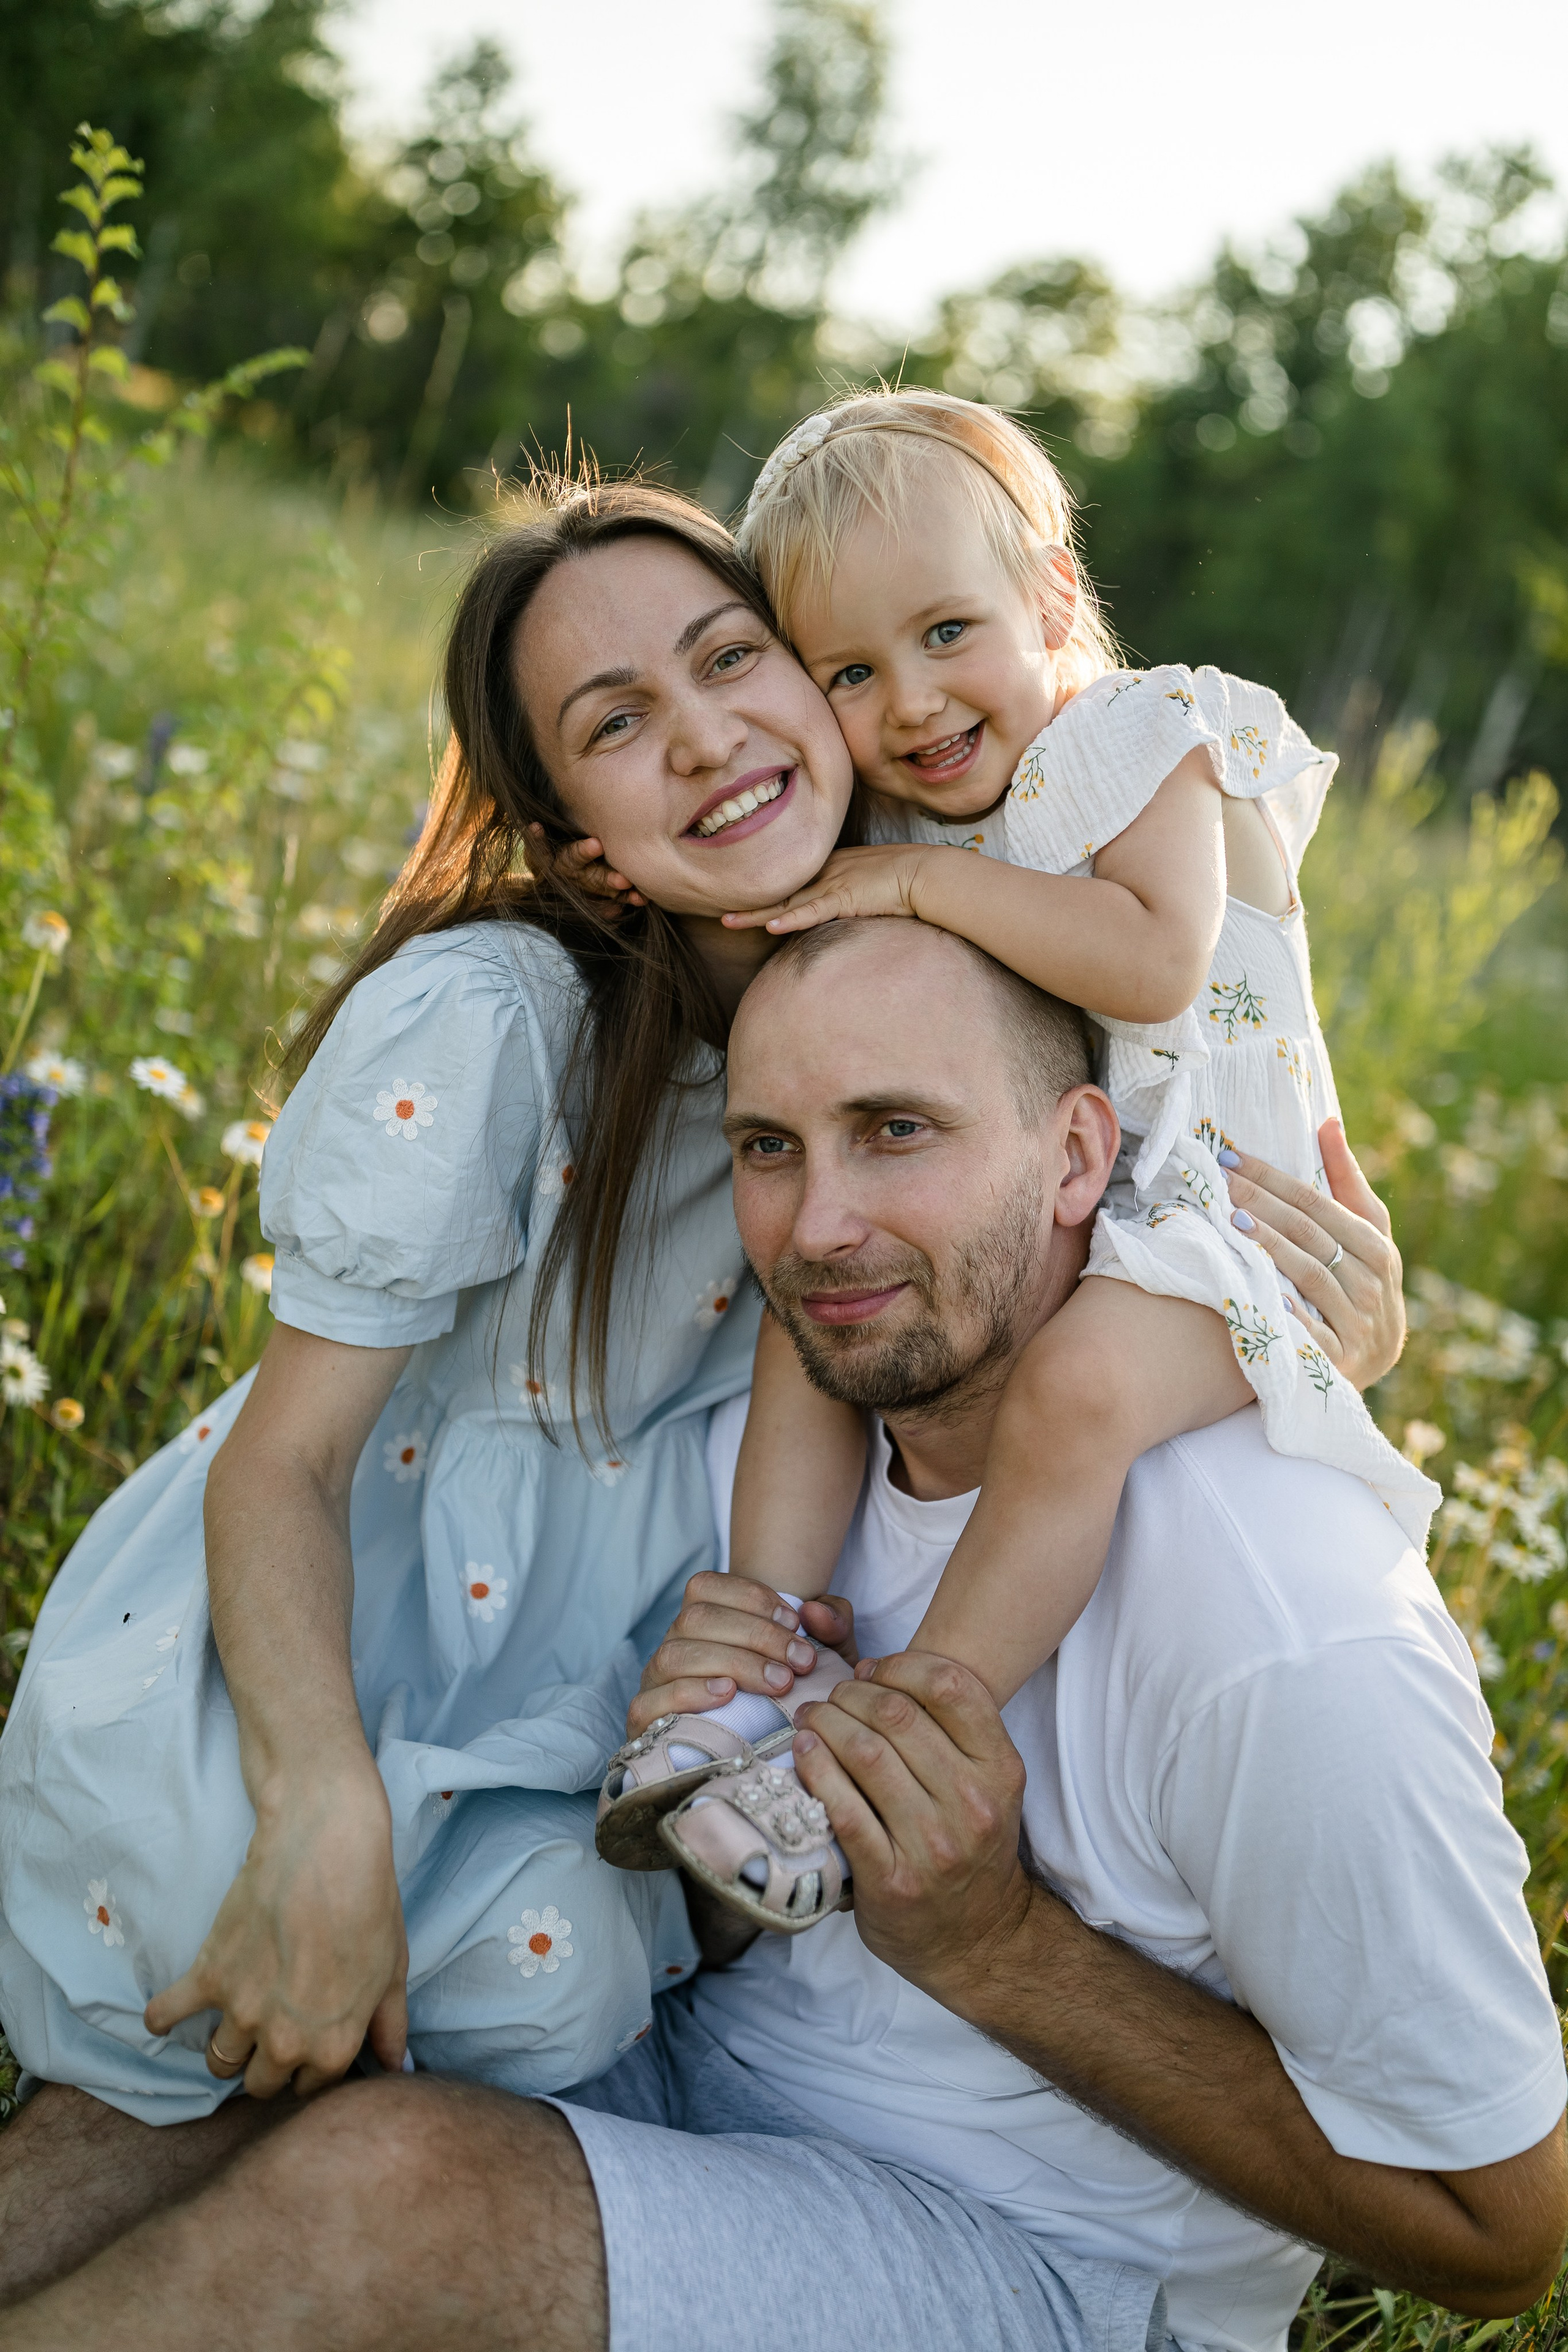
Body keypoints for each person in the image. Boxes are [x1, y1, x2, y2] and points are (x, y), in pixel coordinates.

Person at [0, 916, 1558, 2352]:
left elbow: (1500, 2236)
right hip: (694, 2088)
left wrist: (1000, 1952)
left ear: (1078, 1151)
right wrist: (693, 1837)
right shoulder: (779, 1451)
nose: (817, 1226)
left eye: (897, 1132)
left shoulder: (1280, 1622)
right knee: (218, 2051)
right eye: (767, 1146)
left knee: (396, 2197)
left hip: (1046, 2264)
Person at [0, 477, 862, 2120]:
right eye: (619, 721)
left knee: (558, 1974)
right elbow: (288, 1458)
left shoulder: (911, 988)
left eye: (731, 657)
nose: (701, 734)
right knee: (264, 1924)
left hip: (566, 1708)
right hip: (328, 1659)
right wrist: (319, 1803)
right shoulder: (499, 1025)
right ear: (578, 851)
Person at [594, 387, 1441, 1929]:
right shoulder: (941, 806)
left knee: (1074, 1398)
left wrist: (913, 881)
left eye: (944, 633)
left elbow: (1150, 962)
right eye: (850, 671)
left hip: (1224, 1226)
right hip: (1093, 1213)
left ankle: (899, 1733)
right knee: (810, 1326)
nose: (908, 702)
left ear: (1051, 596)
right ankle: (757, 1667)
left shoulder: (1133, 738)